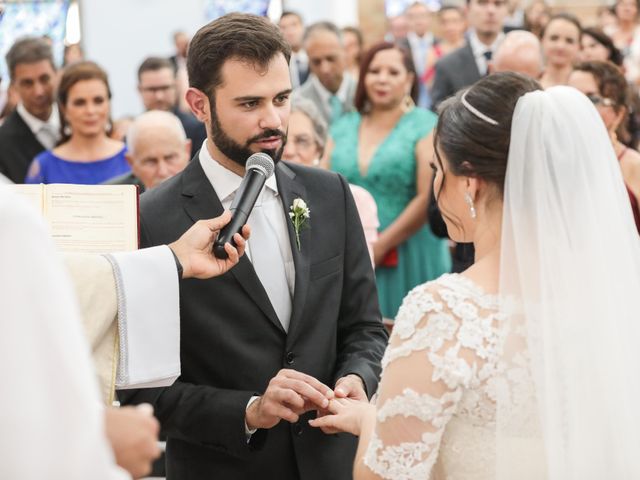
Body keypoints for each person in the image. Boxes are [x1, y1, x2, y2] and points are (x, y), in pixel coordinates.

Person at [309, 72, 640, 479]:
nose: (435, 184)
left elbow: (385, 476)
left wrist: (373, 420)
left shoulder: (445, 312)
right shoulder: (615, 295)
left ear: (468, 183)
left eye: (437, 168)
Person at [119, 13, 388, 480]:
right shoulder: (147, 220)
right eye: (249, 103)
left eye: (282, 98)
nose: (273, 119)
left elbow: (365, 328)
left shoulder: (329, 193)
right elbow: (143, 391)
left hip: (332, 464)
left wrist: (356, 378)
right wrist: (248, 410)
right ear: (199, 105)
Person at [325, 42, 451, 320]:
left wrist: (380, 246)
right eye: (374, 71)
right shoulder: (343, 125)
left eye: (393, 72)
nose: (382, 78)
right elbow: (323, 189)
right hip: (351, 251)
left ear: (408, 79)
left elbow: (425, 196)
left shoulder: (424, 125)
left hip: (409, 249)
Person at [283, 98, 379, 265]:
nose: (289, 151)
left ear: (319, 149)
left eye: (302, 141)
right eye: (282, 142)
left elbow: (362, 273)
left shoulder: (354, 199)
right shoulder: (260, 201)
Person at [24, 61, 129, 184]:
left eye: (98, 101)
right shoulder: (43, 166)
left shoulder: (131, 159)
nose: (90, 111)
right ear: (64, 108)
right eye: (80, 103)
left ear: (108, 104)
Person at [568, 60, 640, 233]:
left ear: (618, 113)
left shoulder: (634, 165)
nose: (577, 106)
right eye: (571, 97)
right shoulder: (551, 160)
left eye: (592, 98)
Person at [431, 0, 508, 109]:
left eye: (498, 3)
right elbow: (438, 110)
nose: (491, 10)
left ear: (506, 9)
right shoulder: (447, 65)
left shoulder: (522, 59)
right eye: (482, 3)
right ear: (467, 9)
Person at [0, 37, 58, 183]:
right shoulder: (3, 143)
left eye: (45, 79)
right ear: (13, 86)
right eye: (27, 83)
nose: (38, 92)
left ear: (56, 75)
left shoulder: (78, 123)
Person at [106, 110, 191, 192]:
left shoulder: (203, 187)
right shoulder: (114, 196)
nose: (162, 172)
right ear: (131, 162)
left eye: (169, 158)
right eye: (151, 162)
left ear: (187, 150)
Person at [292, 21, 357, 126]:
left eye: (331, 59)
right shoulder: (298, 103)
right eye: (316, 62)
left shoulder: (364, 95)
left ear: (344, 53)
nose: (324, 69)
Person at [136, 57, 206, 149]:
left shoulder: (196, 129)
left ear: (176, 86)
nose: (159, 96)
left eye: (165, 88)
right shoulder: (133, 133)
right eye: (152, 89)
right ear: (139, 90)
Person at [401, 2, 436, 108]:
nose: (418, 21)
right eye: (413, 17)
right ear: (407, 20)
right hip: (409, 102)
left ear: (430, 18)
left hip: (436, 101)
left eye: (422, 16)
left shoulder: (440, 44)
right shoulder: (400, 47)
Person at [422, 6, 466, 89]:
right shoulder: (433, 53)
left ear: (463, 23)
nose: (450, 27)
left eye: (455, 21)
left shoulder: (472, 49)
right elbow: (429, 84)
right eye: (445, 22)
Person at [539, 13, 582, 89]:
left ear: (579, 46)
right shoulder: (530, 84)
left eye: (569, 41)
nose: (560, 46)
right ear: (542, 40)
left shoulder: (586, 87)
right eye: (554, 38)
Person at [611, 0, 640, 82]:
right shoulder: (607, 32)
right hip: (613, 84)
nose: (627, 8)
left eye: (631, 5)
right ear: (616, 8)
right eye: (623, 4)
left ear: (637, 9)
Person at [279, 11, 309, 89]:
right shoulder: (279, 63)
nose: (290, 32)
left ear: (303, 27)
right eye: (283, 27)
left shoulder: (315, 57)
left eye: (294, 25)